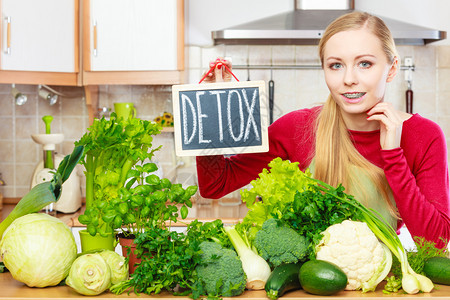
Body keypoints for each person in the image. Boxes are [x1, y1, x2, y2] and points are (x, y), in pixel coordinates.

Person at [196, 11, 450, 249]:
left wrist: (393, 156)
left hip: (382, 283)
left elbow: (436, 242)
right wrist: (210, 109)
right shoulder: (297, 128)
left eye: (365, 64)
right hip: (310, 284)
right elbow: (216, 185)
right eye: (336, 65)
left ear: (391, 68)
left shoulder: (423, 135)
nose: (349, 79)